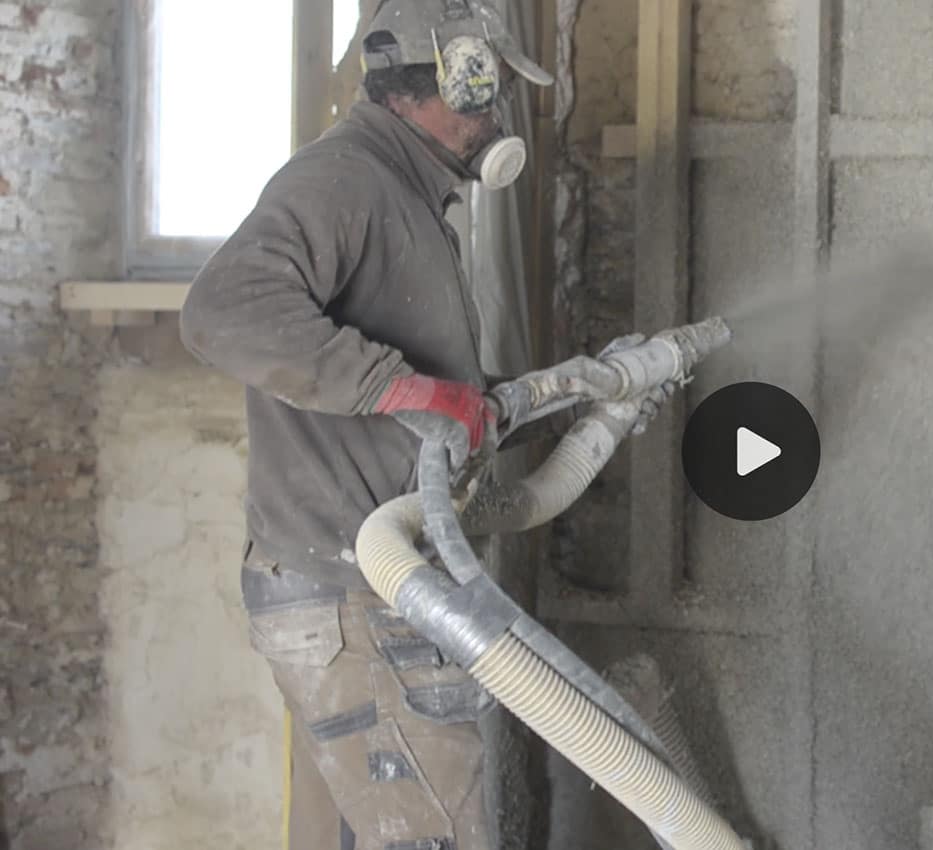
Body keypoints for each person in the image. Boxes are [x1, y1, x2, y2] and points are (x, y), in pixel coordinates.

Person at [179, 2, 661, 846]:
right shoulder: (344, 181)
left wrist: (592, 395)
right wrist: (403, 389)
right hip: (349, 587)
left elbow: (451, 415)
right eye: (489, 92)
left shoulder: (405, 196)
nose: (497, 117)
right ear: (448, 81)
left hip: (379, 584)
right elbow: (220, 314)